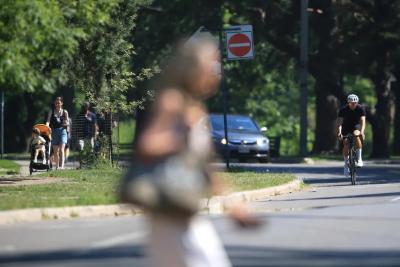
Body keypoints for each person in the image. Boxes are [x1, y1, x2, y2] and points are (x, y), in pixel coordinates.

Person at [133, 38, 258, 267]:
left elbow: (207, 166)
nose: (216, 74)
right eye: (212, 67)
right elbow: (147, 144)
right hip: (170, 219)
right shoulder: (172, 102)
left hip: (188, 214)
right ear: (194, 69)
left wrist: (233, 206)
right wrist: (181, 138)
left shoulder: (196, 108)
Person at [337, 94, 366, 176]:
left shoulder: (360, 108)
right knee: (346, 142)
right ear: (348, 102)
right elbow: (340, 123)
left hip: (356, 126)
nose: (353, 104)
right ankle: (346, 165)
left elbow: (363, 122)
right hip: (346, 127)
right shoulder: (343, 109)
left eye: (355, 103)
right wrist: (339, 132)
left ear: (357, 103)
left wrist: (362, 132)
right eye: (351, 103)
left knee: (356, 135)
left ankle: (359, 158)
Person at [46, 96, 69, 170]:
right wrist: (47, 126)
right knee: (56, 152)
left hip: (63, 131)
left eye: (59, 103)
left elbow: (67, 122)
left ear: (62, 103)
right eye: (56, 103)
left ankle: (61, 167)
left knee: (62, 150)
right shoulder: (51, 111)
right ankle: (57, 167)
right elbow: (48, 121)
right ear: (55, 104)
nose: (57, 104)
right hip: (54, 132)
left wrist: (66, 123)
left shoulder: (65, 112)